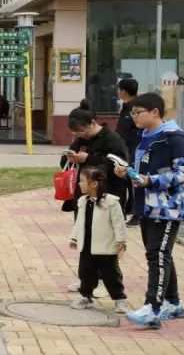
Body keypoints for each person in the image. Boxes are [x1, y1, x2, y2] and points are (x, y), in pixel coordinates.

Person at [114, 93, 184, 328]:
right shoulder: (145, 136)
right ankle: (173, 302)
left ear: (155, 112)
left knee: (158, 255)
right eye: (132, 113)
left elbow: (181, 173)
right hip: (145, 206)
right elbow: (143, 170)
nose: (133, 117)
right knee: (159, 254)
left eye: (138, 112)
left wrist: (150, 180)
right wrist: (128, 172)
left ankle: (152, 308)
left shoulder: (174, 138)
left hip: (167, 208)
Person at [69, 166, 129, 314]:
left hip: (106, 247)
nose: (79, 184)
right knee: (85, 273)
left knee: (111, 275)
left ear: (94, 184)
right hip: (87, 247)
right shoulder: (82, 201)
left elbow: (118, 223)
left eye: (82, 181)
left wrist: (121, 241)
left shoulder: (111, 202)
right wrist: (74, 238)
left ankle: (119, 299)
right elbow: (79, 222)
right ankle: (86, 296)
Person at [61, 101, 129, 214]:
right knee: (82, 224)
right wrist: (70, 159)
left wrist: (88, 159)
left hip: (107, 194)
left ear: (92, 123)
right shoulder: (80, 140)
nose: (80, 135)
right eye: (76, 133)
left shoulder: (112, 139)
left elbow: (121, 166)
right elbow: (64, 163)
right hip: (82, 196)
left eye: (82, 131)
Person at [116, 78, 143, 224]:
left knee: (133, 179)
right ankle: (130, 207)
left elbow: (131, 130)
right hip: (126, 149)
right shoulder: (126, 107)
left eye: (119, 89)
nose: (118, 92)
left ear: (123, 91)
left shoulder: (135, 108)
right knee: (127, 179)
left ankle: (137, 214)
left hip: (133, 149)